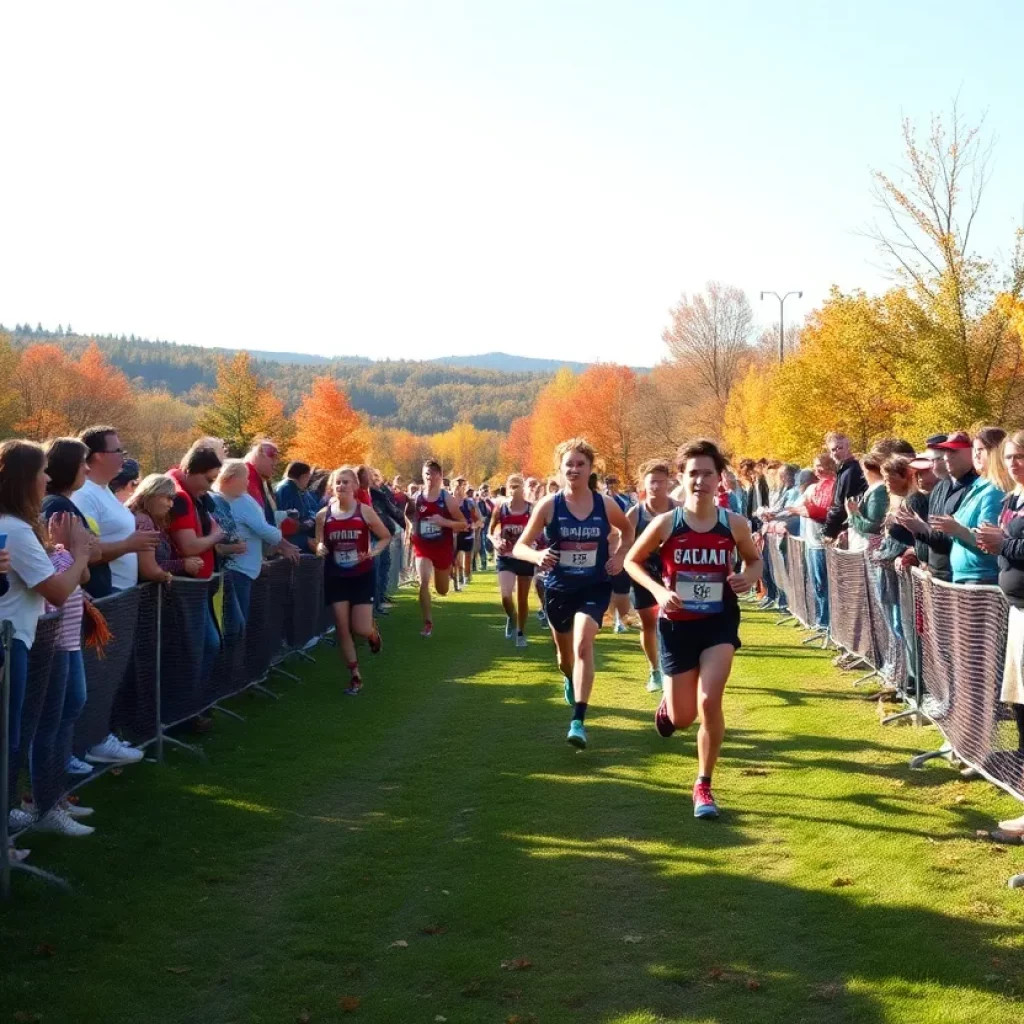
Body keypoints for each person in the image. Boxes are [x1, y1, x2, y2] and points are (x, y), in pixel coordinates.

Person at [625, 439, 761, 819]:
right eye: (692, 474)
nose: (700, 480)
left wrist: (747, 578)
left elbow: (753, 562)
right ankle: (669, 707)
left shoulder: (733, 524)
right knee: (683, 718)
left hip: (718, 621)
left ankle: (703, 784)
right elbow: (633, 562)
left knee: (709, 699)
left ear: (720, 479)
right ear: (681, 480)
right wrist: (657, 590)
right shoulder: (667, 523)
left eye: (707, 473)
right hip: (677, 625)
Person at [514, 438, 634, 749]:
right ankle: (570, 678)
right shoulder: (548, 505)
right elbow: (520, 546)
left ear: (591, 469)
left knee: (583, 644)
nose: (574, 469)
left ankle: (578, 720)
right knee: (565, 658)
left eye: (581, 464)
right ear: (560, 468)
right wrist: (537, 557)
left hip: (593, 586)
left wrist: (620, 557)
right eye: (569, 464)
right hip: (558, 589)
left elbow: (627, 530)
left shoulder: (604, 504)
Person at [0, 440, 94, 839]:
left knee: (16, 733)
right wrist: (79, 553)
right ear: (25, 480)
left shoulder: (17, 527)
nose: (47, 479)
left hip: (20, 636)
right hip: (11, 641)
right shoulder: (15, 530)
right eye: (41, 472)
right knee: (10, 736)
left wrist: (65, 555)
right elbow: (58, 590)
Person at [977, 432, 1024, 832]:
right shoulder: (1012, 500)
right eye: (1010, 456)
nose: (1014, 463)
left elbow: (1015, 546)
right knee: (1020, 707)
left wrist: (1004, 544)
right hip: (1017, 611)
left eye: (1022, 456)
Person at [315, 467, 388, 694]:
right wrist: (318, 547)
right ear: (332, 487)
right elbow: (318, 543)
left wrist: (373, 552)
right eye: (338, 482)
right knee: (342, 626)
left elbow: (385, 536)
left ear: (355, 486)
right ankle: (355, 675)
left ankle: (372, 633)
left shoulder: (364, 511)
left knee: (361, 627)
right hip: (336, 576)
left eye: (346, 482)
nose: (341, 486)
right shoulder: (323, 515)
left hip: (361, 575)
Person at [74, 425, 159, 597]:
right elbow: (85, 550)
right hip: (106, 593)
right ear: (99, 455)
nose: (124, 457)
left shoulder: (104, 489)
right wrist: (129, 545)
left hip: (122, 593)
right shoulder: (84, 494)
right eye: (118, 450)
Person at [166, 447, 227, 685]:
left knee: (205, 644)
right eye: (208, 479)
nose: (209, 487)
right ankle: (188, 707)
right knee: (198, 647)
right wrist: (216, 535)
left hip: (196, 583)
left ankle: (193, 704)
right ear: (190, 471)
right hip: (185, 585)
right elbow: (189, 546)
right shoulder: (179, 496)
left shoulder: (191, 494)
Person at [896, 431, 981, 584]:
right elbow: (935, 534)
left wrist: (921, 529)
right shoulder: (940, 487)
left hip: (957, 575)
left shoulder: (973, 488)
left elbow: (956, 539)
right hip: (935, 574)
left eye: (934, 460)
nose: (931, 466)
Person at [213, 460, 289, 630]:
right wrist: (279, 536)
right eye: (245, 478)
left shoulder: (230, 498)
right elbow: (263, 528)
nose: (248, 482)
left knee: (235, 622)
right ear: (230, 478)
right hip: (237, 569)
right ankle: (233, 655)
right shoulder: (238, 501)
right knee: (236, 624)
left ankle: (235, 654)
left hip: (240, 567)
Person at [627, 460, 677, 693]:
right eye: (652, 482)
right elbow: (624, 545)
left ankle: (676, 667)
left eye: (660, 481)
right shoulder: (636, 514)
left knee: (675, 622)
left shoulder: (679, 509)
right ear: (644, 485)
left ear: (668, 483)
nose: (656, 486)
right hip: (644, 574)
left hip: (673, 573)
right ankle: (654, 670)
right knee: (648, 624)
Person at [408, 459, 467, 637]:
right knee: (423, 582)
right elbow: (408, 515)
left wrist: (444, 522)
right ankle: (428, 622)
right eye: (427, 474)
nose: (430, 478)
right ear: (422, 476)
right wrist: (411, 528)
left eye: (433, 475)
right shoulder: (417, 498)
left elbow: (463, 524)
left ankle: (447, 574)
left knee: (442, 590)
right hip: (423, 546)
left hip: (442, 547)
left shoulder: (446, 499)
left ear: (440, 477)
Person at [784, 453, 837, 630]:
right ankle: (822, 619)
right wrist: (775, 515)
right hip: (810, 541)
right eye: (815, 466)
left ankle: (827, 622)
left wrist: (806, 511)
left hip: (822, 544)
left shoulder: (832, 486)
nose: (817, 470)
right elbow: (796, 508)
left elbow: (820, 512)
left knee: (824, 584)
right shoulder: (812, 489)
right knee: (816, 584)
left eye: (820, 466)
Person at [126, 474, 203, 583]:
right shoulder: (143, 521)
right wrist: (183, 565)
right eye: (168, 498)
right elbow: (149, 569)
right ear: (152, 494)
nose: (171, 505)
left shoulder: (152, 519)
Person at [489, 473, 534, 647]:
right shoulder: (501, 508)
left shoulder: (531, 509)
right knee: (506, 595)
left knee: (523, 598)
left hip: (524, 556)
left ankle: (521, 632)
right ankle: (511, 616)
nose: (515, 489)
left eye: (518, 486)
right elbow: (490, 531)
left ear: (523, 488)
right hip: (506, 556)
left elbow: (540, 530)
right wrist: (495, 541)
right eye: (512, 486)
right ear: (507, 488)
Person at [823, 432, 867, 542]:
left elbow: (841, 504)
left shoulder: (851, 471)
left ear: (848, 448)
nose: (837, 452)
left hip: (851, 530)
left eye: (840, 448)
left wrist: (828, 532)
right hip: (848, 528)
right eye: (833, 449)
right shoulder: (843, 470)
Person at [604, 475, 634, 633]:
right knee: (609, 588)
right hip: (604, 546)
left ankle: (620, 620)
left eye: (614, 482)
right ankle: (614, 617)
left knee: (621, 587)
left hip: (620, 545)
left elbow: (628, 524)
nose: (611, 486)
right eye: (608, 482)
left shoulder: (625, 500)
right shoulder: (600, 498)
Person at [846, 449, 888, 552]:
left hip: (870, 549)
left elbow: (871, 527)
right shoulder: (875, 490)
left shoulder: (878, 492)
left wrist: (853, 514)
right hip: (867, 547)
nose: (863, 475)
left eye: (863, 471)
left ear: (869, 471)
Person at [275, 461, 319, 554]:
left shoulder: (296, 489)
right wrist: (305, 539)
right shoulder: (287, 489)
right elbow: (287, 521)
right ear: (303, 476)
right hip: (293, 540)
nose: (308, 481)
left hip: (299, 536)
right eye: (308, 477)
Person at [453, 477, 480, 590]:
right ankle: (457, 581)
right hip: (454, 533)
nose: (460, 489)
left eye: (463, 486)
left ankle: (465, 577)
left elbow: (477, 519)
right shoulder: (449, 502)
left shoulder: (469, 503)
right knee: (455, 558)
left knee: (466, 556)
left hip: (467, 533)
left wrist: (472, 525)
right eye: (458, 486)